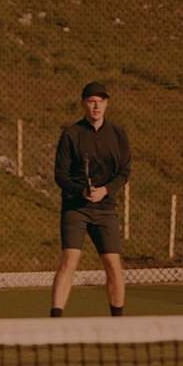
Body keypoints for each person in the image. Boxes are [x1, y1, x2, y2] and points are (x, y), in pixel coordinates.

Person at [51, 81, 130, 317]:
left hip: (106, 209)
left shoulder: (118, 134)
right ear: (84, 104)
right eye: (91, 102)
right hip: (76, 208)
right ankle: (55, 320)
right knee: (69, 260)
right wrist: (81, 192)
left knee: (113, 264)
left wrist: (105, 190)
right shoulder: (71, 134)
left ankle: (118, 322)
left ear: (106, 104)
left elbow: (124, 172)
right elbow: (60, 175)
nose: (96, 106)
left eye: (101, 102)